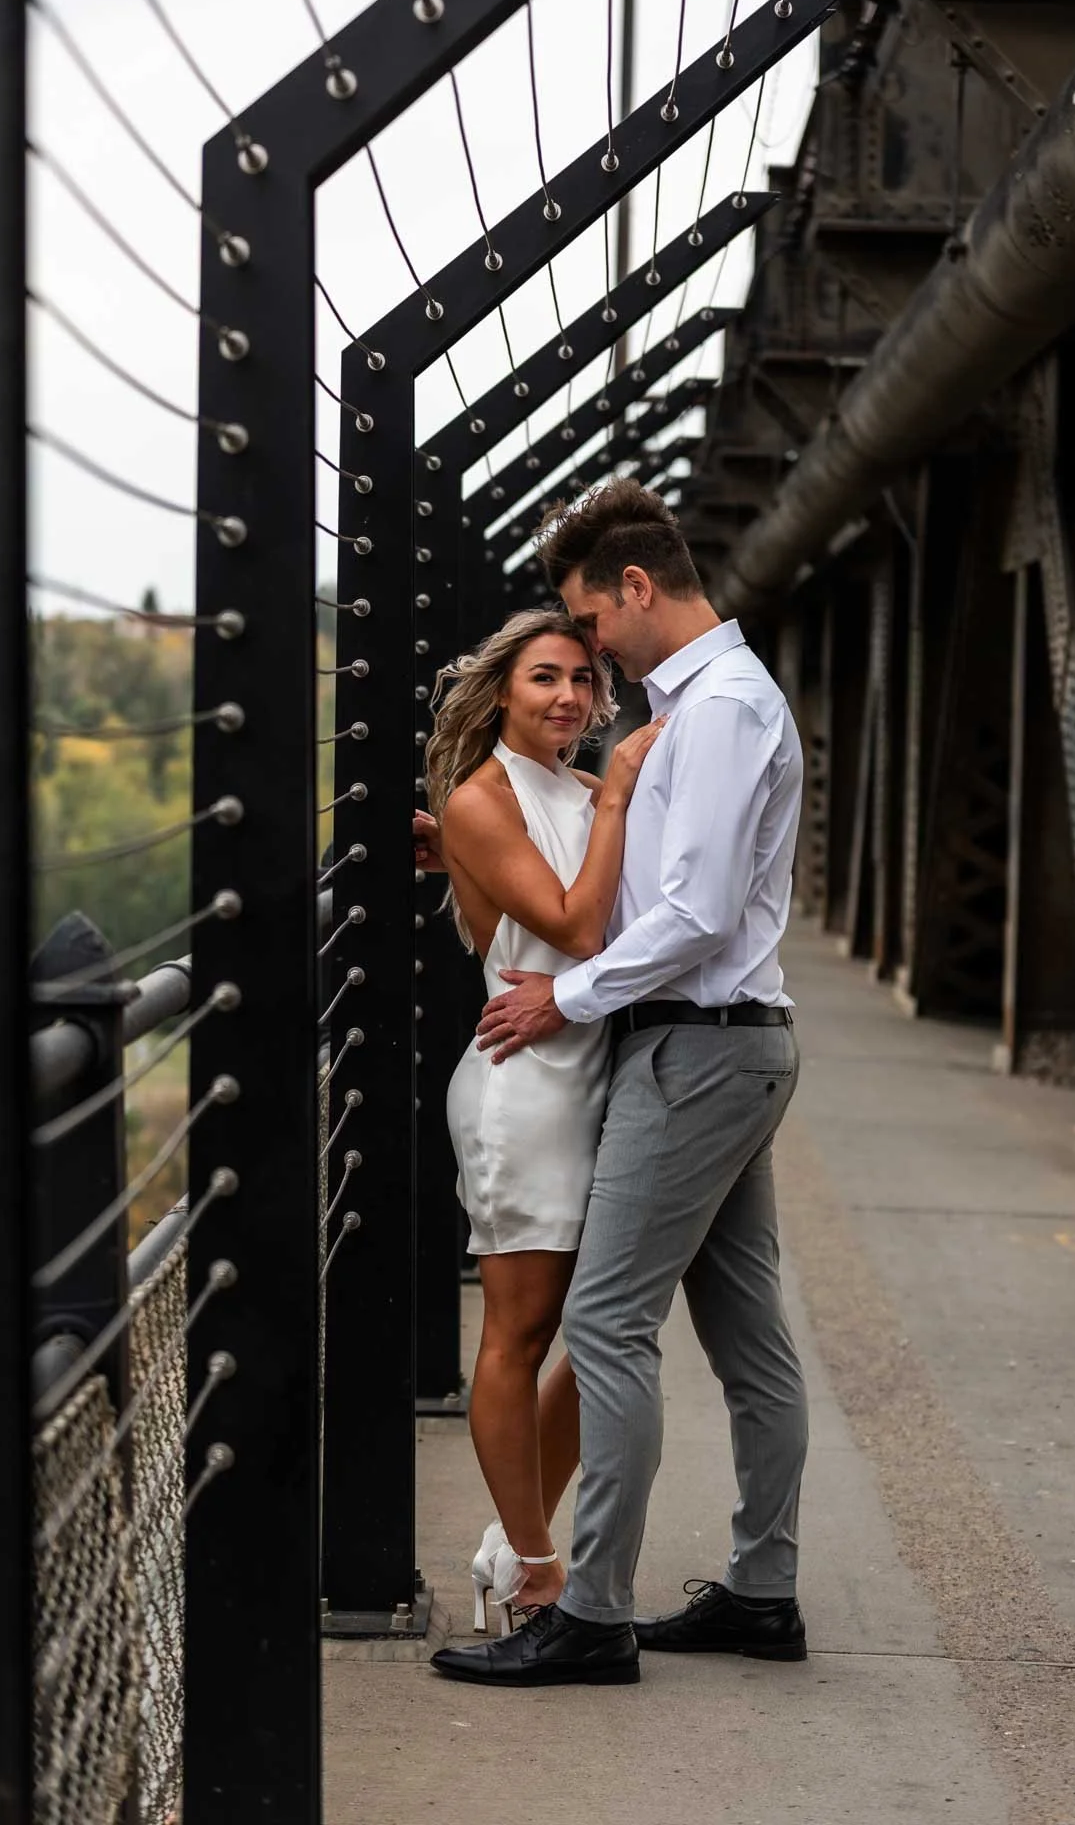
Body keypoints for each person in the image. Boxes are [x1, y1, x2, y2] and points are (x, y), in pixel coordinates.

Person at [430, 478, 808, 1690]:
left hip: (696, 1049)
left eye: (591, 629)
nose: (590, 659)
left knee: (599, 1324)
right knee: (746, 1338)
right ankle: (760, 1591)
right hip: (712, 1045)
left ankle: (587, 1614)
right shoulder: (691, 713)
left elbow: (690, 913)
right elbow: (603, 885)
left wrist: (567, 996)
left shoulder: (720, 712)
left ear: (636, 589)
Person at [422, 607, 664, 1636]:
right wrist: (615, 794)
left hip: (594, 1072)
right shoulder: (480, 798)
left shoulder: (571, 790)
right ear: (502, 692)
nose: (567, 696)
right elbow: (571, 922)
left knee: (604, 1326)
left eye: (580, 679)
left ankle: (513, 1539)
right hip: (520, 1084)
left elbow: (625, 917)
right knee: (518, 1332)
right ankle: (530, 1563)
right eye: (543, 679)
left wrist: (601, 799)